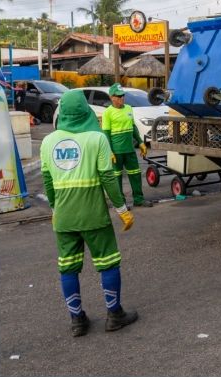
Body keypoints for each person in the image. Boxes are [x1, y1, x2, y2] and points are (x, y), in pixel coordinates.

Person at [40, 90, 138, 337]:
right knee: (108, 263)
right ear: (86, 110)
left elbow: (48, 182)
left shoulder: (48, 142)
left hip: (64, 217)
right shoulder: (97, 139)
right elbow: (108, 178)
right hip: (93, 215)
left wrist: (54, 209)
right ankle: (114, 315)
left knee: (68, 267)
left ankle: (77, 321)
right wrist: (122, 210)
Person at [102, 83, 150, 209]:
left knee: (135, 174)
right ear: (112, 97)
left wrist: (140, 142)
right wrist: (110, 151)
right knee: (117, 177)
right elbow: (106, 133)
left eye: (122, 95)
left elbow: (133, 127)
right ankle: (121, 203)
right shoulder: (107, 113)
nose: (122, 98)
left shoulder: (128, 108)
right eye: (118, 96)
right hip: (116, 152)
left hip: (129, 149)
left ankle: (139, 199)